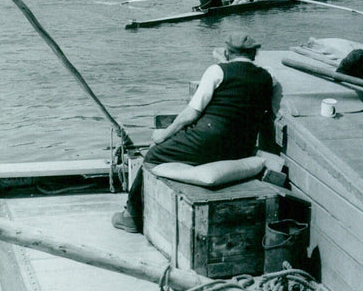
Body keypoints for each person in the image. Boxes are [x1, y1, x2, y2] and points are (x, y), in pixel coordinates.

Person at [112, 33, 274, 233]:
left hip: (207, 139)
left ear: (226, 52)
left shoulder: (216, 71)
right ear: (254, 54)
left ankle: (131, 216)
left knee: (153, 155)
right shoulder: (267, 77)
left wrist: (163, 135)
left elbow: (190, 114)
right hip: (240, 147)